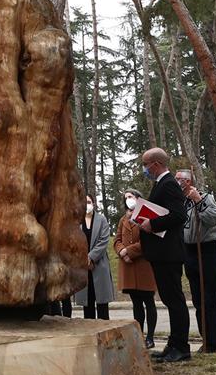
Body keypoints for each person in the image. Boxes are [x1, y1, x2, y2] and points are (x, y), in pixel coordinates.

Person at [136, 147, 190, 362]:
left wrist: (153, 223)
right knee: (169, 299)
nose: (144, 169)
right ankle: (173, 343)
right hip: (161, 253)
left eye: (145, 164)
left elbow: (179, 215)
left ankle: (181, 347)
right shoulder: (161, 184)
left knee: (175, 300)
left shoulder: (168, 185)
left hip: (168, 253)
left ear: (156, 164)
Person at [177, 169, 216, 353]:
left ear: (189, 181)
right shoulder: (179, 202)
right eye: (176, 179)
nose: (177, 182)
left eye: (180, 179)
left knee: (210, 299)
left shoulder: (205, 197)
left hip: (207, 250)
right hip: (189, 251)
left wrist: (198, 201)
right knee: (198, 300)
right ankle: (206, 340)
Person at [114, 188, 158, 348]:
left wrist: (130, 251)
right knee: (136, 304)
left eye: (131, 196)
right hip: (128, 267)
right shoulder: (122, 220)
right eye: (126, 197)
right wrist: (121, 251)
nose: (128, 199)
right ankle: (138, 335)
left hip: (144, 265)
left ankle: (150, 337)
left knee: (149, 302)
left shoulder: (145, 216)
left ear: (138, 198)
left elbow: (148, 240)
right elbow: (117, 239)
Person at [74, 195, 113, 319]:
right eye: (84, 202)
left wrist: (90, 257)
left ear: (94, 203)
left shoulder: (102, 220)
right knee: (87, 302)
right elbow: (73, 241)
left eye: (89, 202)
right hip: (83, 267)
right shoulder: (76, 221)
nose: (87, 205)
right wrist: (82, 258)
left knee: (102, 304)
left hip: (99, 265)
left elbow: (103, 241)